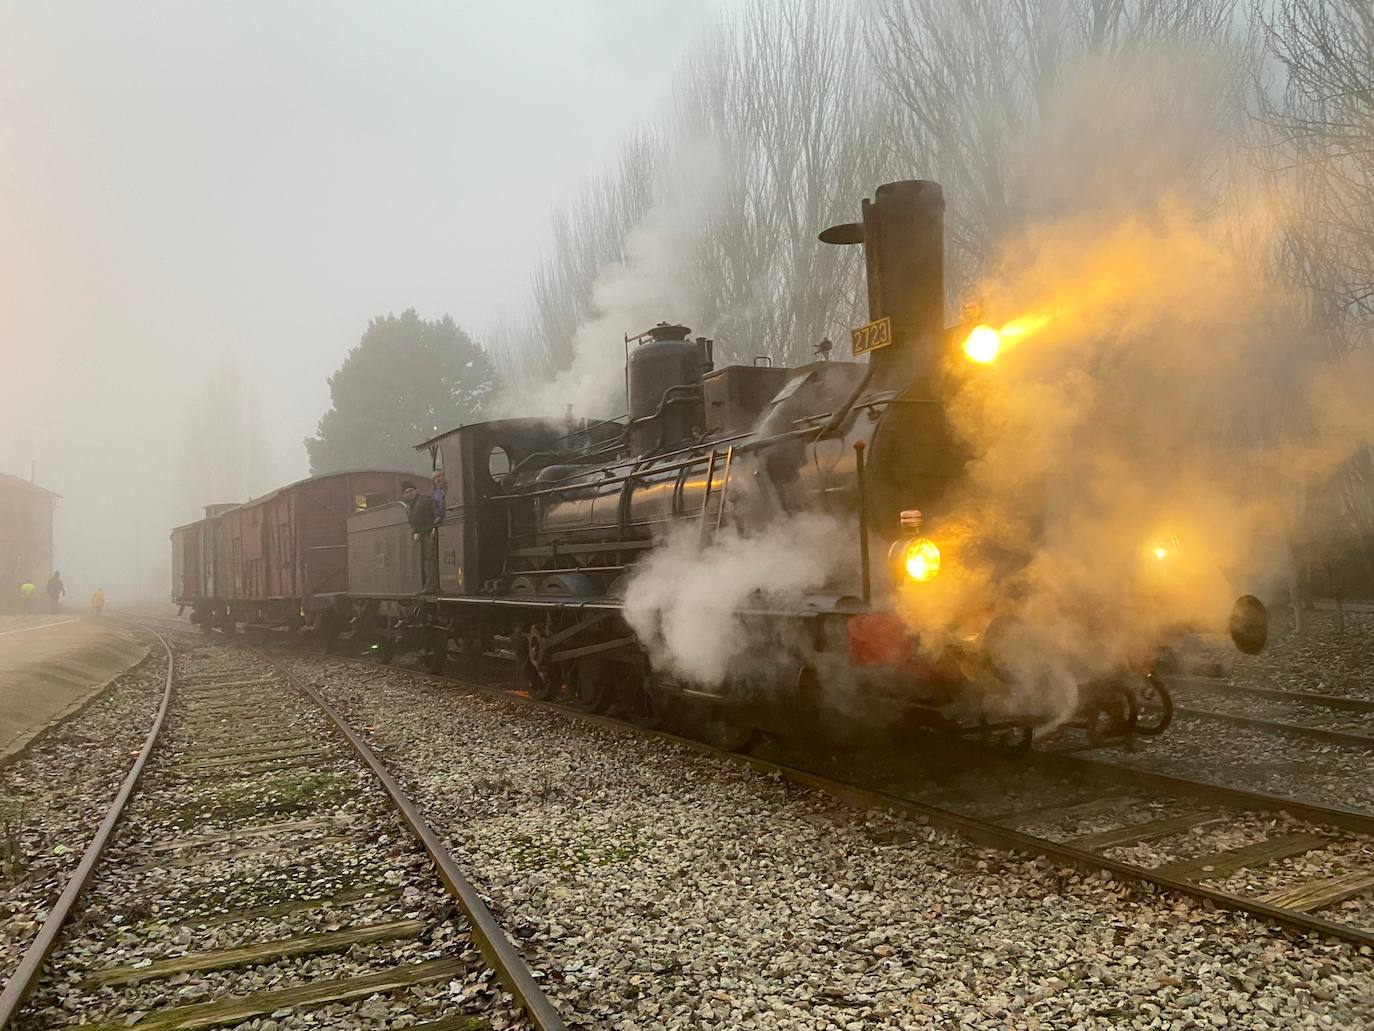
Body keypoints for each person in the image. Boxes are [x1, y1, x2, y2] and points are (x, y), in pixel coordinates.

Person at [401, 482, 439, 593]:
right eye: (406, 492)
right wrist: (415, 532)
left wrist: (434, 528)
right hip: (420, 535)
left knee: (429, 559)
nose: (409, 493)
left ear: (415, 490)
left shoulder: (425, 500)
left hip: (429, 533)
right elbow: (412, 522)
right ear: (403, 495)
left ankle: (431, 586)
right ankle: (427, 585)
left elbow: (435, 512)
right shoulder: (408, 507)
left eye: (411, 490)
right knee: (424, 560)